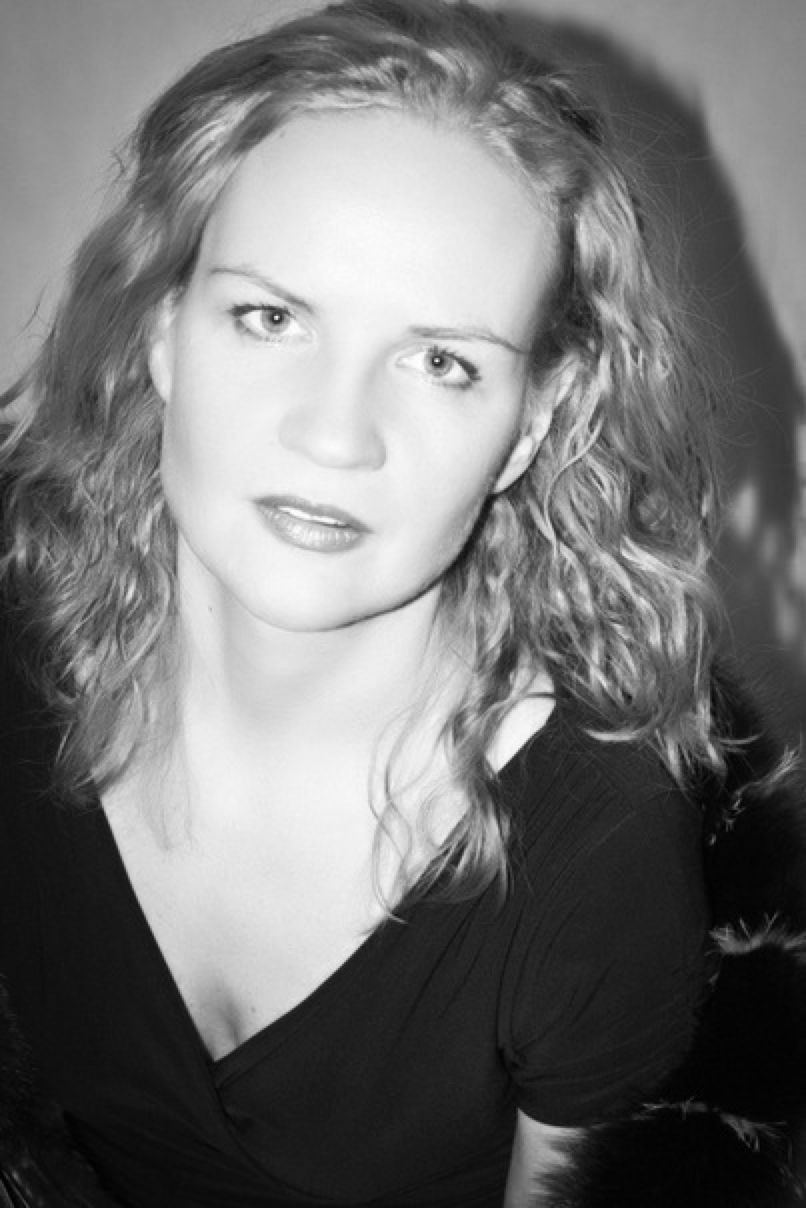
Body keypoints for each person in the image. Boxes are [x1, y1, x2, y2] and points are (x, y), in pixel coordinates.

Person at [0, 2, 802, 1206]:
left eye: (440, 361)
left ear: (528, 423)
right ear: (164, 328)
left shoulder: (592, 848)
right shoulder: (18, 648)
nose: (335, 435)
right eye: (270, 317)